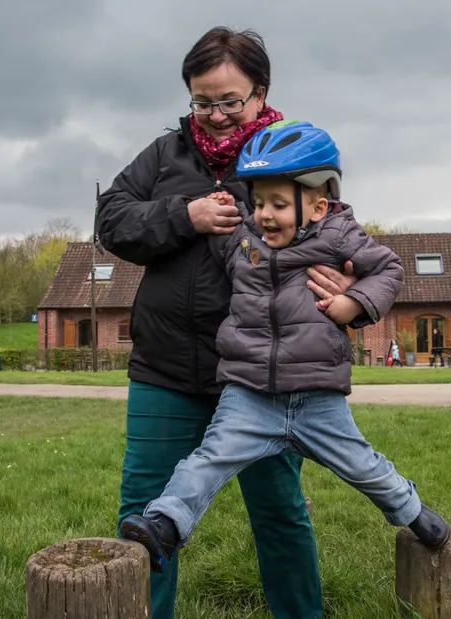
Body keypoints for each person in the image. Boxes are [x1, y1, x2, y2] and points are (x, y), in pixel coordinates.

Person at [94, 27, 359, 619]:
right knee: (144, 510)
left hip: (263, 375)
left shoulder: (295, 155)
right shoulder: (165, 156)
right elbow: (111, 220)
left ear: (261, 92)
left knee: (278, 510)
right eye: (200, 101)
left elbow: (338, 234)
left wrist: (347, 282)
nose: (213, 115)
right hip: (163, 368)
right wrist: (182, 214)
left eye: (229, 100)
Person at [117, 120, 451, 575]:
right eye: (257, 203)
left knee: (362, 465)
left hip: (316, 396)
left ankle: (413, 512)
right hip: (248, 393)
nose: (264, 215)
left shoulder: (340, 235)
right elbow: (221, 245)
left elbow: (389, 270)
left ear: (317, 206)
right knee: (209, 458)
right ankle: (165, 524)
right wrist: (214, 211)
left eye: (277, 204)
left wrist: (354, 302)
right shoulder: (248, 237)